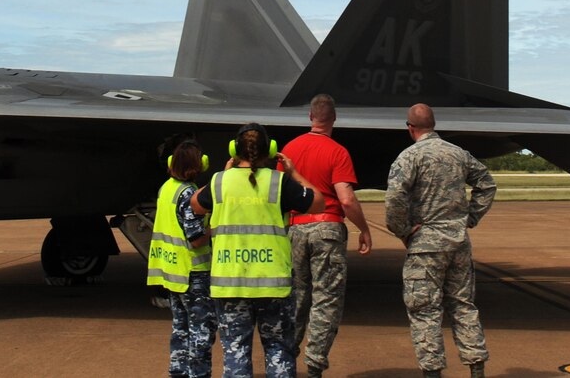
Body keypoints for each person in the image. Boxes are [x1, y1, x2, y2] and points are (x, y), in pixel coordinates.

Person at [192, 123, 324, 378]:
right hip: (273, 285)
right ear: (271, 151)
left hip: (230, 285)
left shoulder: (220, 181)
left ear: (234, 150)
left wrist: (223, 174)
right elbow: (318, 201)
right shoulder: (280, 182)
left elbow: (195, 204)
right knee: (279, 350)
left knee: (235, 351)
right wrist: (294, 173)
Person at [385, 103, 496, 378]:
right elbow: (486, 184)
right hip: (458, 243)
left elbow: (395, 197)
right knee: (463, 305)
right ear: (433, 125)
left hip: (425, 246)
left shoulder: (408, 157)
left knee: (425, 311)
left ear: (410, 128)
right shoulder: (458, 153)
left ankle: (433, 372)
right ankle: (476, 368)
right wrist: (469, 218)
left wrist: (403, 230)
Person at [280, 94, 372, 377]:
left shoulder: (289, 150)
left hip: (295, 229)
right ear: (333, 119)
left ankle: (285, 357)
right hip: (328, 230)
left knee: (297, 295)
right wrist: (364, 229)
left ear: (310, 117)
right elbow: (346, 199)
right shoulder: (338, 152)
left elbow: (279, 193)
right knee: (326, 298)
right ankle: (315, 364)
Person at [148, 140, 217, 378]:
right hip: (193, 273)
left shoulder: (166, 188)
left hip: (172, 273)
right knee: (201, 332)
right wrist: (214, 229)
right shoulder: (189, 193)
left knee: (181, 328)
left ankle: (178, 373)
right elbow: (196, 238)